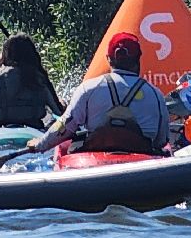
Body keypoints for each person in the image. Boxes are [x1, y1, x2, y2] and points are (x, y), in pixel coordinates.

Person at [28, 32, 170, 156]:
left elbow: (65, 125)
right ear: (138, 59)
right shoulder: (156, 95)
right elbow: (161, 140)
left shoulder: (88, 88)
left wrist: (41, 144)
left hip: (95, 161)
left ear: (108, 59)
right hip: (143, 160)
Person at [0, 33, 62, 130]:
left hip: (1, 128)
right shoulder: (39, 77)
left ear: (7, 54)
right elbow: (58, 111)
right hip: (34, 128)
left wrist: (3, 55)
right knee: (55, 114)